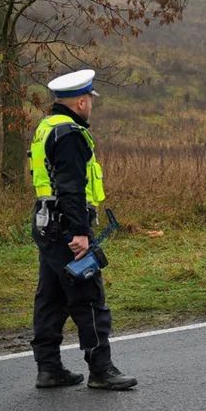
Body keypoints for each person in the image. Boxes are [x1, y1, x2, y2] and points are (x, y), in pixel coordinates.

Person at [28, 69, 137, 390]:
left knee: (50, 297)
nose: (91, 104)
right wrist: (80, 233)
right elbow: (71, 187)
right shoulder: (70, 134)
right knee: (88, 296)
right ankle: (101, 370)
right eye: (89, 99)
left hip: (47, 225)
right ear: (79, 102)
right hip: (66, 228)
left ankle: (49, 369)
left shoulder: (46, 128)